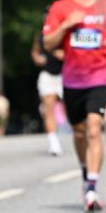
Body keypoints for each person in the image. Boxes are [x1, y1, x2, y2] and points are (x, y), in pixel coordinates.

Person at [43, 0, 106, 213]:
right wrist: (66, 25)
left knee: (94, 128)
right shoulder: (60, 7)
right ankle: (86, 171)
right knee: (78, 132)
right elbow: (48, 43)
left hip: (99, 74)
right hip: (73, 78)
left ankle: (92, 188)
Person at [31, 27, 65, 156]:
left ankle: (75, 133)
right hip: (48, 75)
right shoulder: (41, 34)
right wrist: (38, 59)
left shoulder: (67, 31)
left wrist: (63, 54)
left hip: (66, 75)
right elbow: (35, 52)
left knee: (71, 109)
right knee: (48, 109)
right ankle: (53, 141)